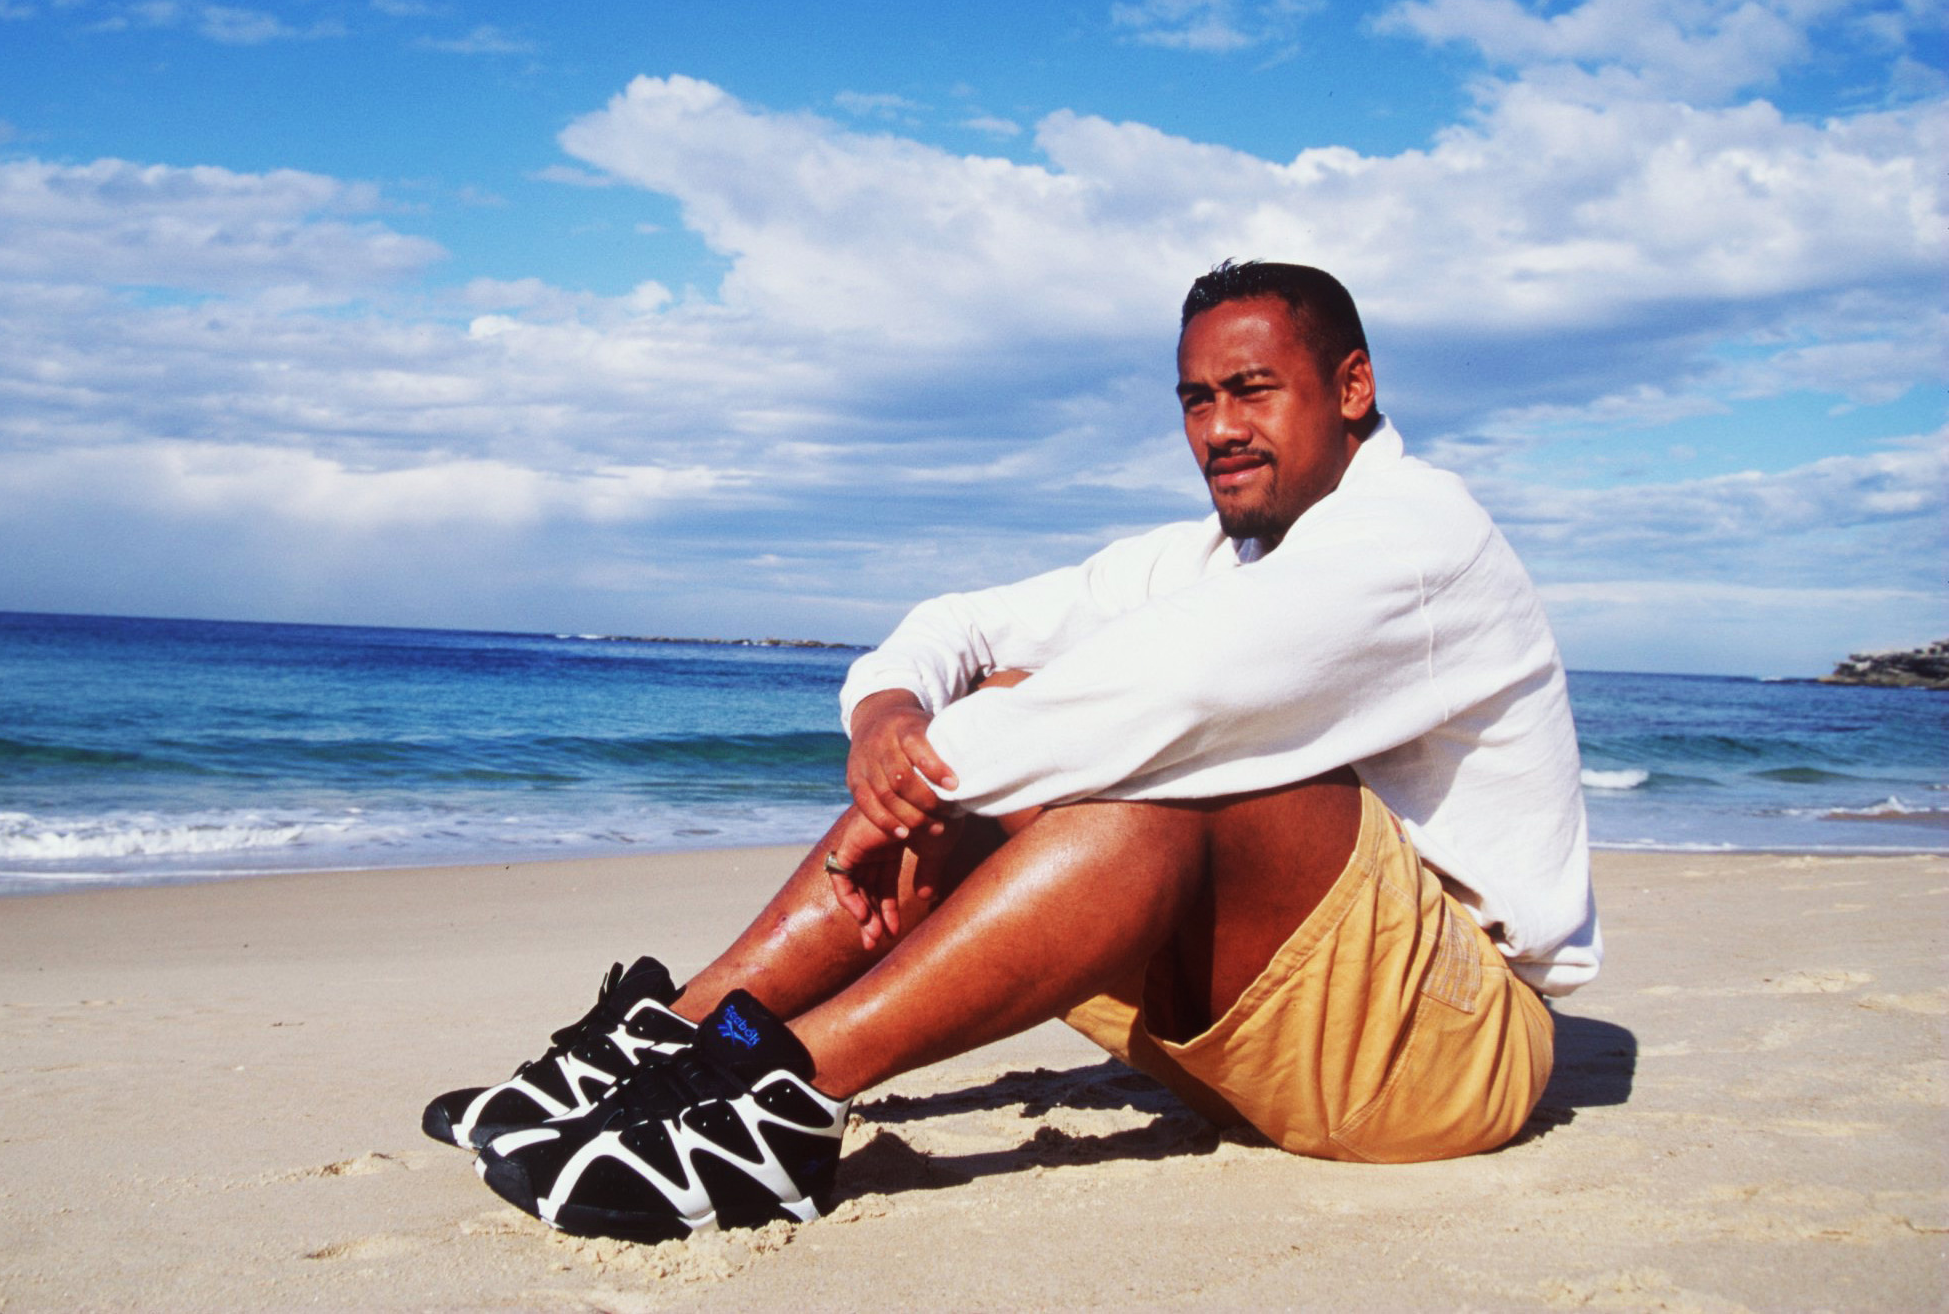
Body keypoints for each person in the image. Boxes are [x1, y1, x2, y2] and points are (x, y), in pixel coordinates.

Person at [423, 259, 1601, 1243]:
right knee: (1013, 693)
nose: (1219, 429)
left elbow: (1175, 692)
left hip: (1450, 1051)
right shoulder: (1213, 554)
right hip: (1262, 1037)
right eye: (1194, 399)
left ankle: (777, 1091)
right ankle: (676, 1039)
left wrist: (927, 788)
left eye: (1251, 389)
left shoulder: (1414, 538)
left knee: (1150, 767)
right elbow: (963, 624)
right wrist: (888, 715)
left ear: (1352, 387)